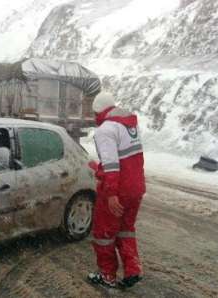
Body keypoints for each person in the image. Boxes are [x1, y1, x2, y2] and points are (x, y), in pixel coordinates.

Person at [87, 91, 146, 289]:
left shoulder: (105, 129)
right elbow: (128, 161)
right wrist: (99, 168)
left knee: (103, 234)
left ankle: (107, 277)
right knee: (125, 230)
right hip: (136, 188)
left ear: (99, 111)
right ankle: (133, 269)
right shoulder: (129, 125)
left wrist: (111, 193)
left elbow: (112, 165)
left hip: (118, 190)